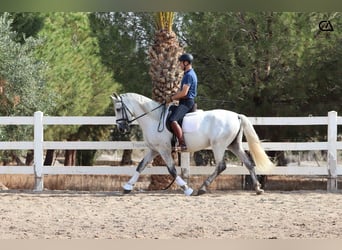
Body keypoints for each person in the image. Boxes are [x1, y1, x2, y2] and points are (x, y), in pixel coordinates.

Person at [166, 53, 197, 152]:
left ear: (186, 63)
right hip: (184, 101)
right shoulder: (188, 74)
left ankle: (182, 144)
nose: (179, 65)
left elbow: (184, 92)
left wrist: (171, 98)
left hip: (186, 103)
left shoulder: (188, 75)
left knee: (173, 120)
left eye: (180, 63)